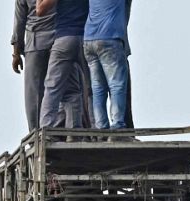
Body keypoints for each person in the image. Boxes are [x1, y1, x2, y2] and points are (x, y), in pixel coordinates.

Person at [37, 0, 89, 128]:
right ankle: (90, 130)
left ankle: (46, 129)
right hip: (87, 38)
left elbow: (40, 10)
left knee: (52, 88)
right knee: (91, 88)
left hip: (64, 38)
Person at [83, 0, 131, 129]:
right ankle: (117, 125)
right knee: (117, 85)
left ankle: (101, 128)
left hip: (89, 40)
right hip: (110, 38)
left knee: (98, 88)